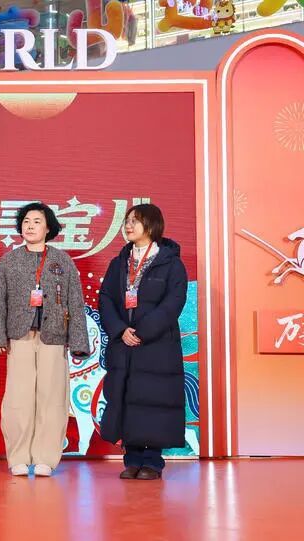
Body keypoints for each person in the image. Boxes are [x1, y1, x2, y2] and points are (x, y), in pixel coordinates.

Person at [0, 202, 90, 477]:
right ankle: (18, 457)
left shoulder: (62, 260)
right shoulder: (9, 261)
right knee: (18, 399)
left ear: (48, 228)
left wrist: (79, 342)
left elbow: (75, 301)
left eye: (36, 221)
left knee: (52, 398)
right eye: (26, 221)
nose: (30, 226)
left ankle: (46, 457)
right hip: (19, 337)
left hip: (54, 336)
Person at [98, 203, 187, 481]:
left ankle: (152, 462)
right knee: (127, 400)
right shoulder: (119, 262)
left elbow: (173, 303)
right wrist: (120, 330)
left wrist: (143, 332)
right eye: (127, 221)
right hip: (123, 344)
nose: (128, 225)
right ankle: (132, 460)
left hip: (156, 345)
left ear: (152, 225)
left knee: (154, 401)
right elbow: (106, 298)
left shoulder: (171, 263)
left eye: (135, 221)